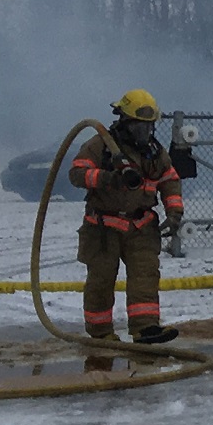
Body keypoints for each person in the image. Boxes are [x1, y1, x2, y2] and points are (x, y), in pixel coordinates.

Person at [68, 89, 183, 344]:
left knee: (145, 277)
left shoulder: (154, 152)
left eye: (148, 127)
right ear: (125, 122)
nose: (145, 132)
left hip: (141, 226)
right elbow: (76, 173)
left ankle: (146, 328)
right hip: (103, 227)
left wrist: (174, 213)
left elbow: (170, 180)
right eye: (139, 127)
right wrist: (108, 178)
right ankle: (101, 333)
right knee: (101, 280)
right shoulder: (101, 146)